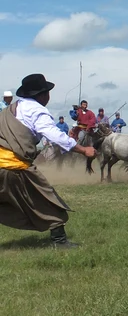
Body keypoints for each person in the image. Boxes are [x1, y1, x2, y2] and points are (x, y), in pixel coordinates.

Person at [0, 74, 96, 248]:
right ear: (43, 95)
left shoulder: (10, 110)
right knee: (47, 198)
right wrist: (83, 149)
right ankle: (60, 241)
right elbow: (54, 135)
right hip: (14, 168)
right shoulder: (37, 110)